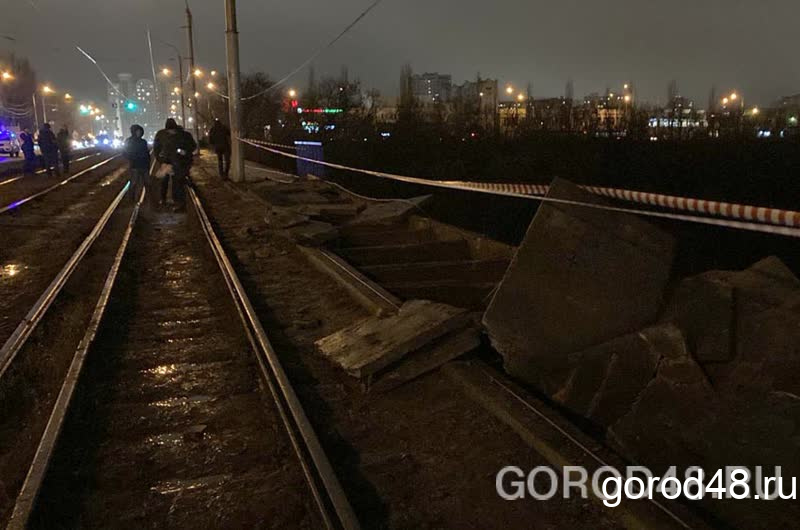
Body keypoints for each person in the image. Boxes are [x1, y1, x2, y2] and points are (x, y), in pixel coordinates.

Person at [153, 118, 196, 212]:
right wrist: (161, 159)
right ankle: (166, 199)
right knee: (166, 182)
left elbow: (192, 146)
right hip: (168, 163)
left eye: (172, 130)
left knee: (178, 183)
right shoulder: (162, 135)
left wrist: (183, 152)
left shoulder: (183, 135)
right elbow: (156, 149)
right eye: (169, 131)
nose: (171, 132)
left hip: (180, 163)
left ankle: (178, 203)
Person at [124, 124, 150, 203]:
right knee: (134, 183)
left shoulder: (142, 141)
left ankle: (148, 199)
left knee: (147, 183)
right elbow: (125, 152)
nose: (139, 133)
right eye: (137, 131)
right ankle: (131, 199)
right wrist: (132, 158)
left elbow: (146, 153)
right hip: (135, 165)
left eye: (140, 131)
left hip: (143, 165)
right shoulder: (130, 141)